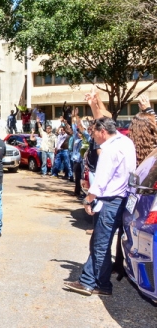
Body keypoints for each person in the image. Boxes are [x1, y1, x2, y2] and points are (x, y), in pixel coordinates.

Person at [63, 115, 136, 296]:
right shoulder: (126, 142)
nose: (92, 135)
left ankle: (93, 282)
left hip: (109, 201)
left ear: (103, 131)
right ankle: (94, 281)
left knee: (100, 243)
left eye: (93, 131)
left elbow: (101, 181)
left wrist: (88, 199)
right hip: (122, 199)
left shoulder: (109, 150)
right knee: (100, 242)